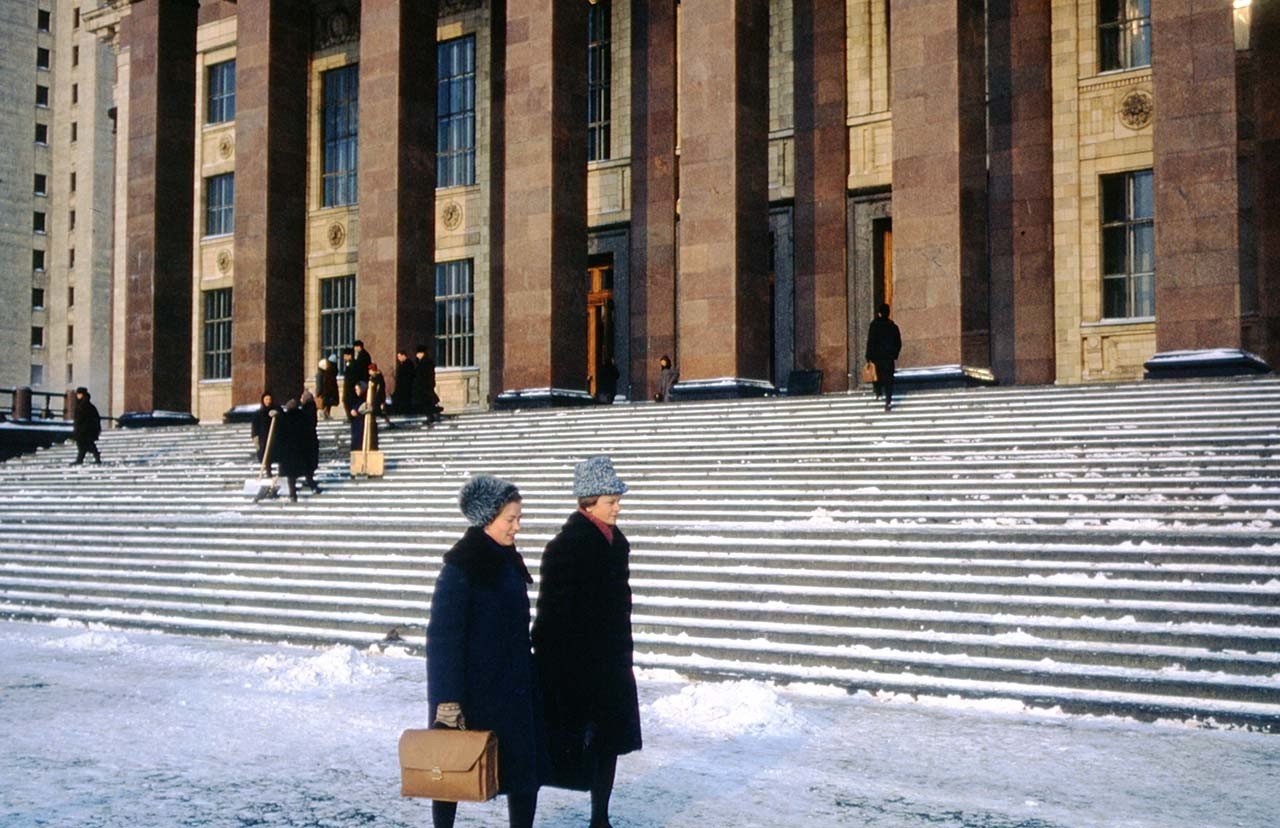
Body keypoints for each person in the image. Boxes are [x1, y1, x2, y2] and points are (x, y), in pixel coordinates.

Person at [426, 475, 545, 828]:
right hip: (474, 693)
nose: (517, 526)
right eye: (510, 519)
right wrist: (447, 702)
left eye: (519, 518)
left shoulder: (508, 560)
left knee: (524, 774)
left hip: (514, 689)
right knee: (451, 768)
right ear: (487, 518)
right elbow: (443, 639)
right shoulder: (462, 566)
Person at [532, 456, 642, 828]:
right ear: (588, 503)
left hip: (610, 663)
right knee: (565, 745)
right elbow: (552, 616)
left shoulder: (615, 544)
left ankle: (600, 818)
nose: (618, 507)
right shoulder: (565, 548)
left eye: (618, 500)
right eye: (612, 501)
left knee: (608, 744)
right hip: (577, 667)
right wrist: (560, 669)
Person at [865, 303, 903, 411]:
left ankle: (878, 393)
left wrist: (868, 356)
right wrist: (894, 354)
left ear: (879, 313)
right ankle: (888, 400)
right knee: (888, 379)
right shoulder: (893, 326)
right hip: (888, 358)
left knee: (877, 375)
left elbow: (871, 341)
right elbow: (898, 343)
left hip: (877, 357)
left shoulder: (874, 326)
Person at [70, 387, 102, 465]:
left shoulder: (87, 406)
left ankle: (94, 457)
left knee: (86, 444)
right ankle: (83, 459)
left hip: (86, 430)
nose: (78, 396)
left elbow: (93, 419)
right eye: (77, 394)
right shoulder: (79, 405)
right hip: (81, 429)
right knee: (83, 445)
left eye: (80, 394)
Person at [250, 391, 280, 474]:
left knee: (278, 456)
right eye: (266, 399)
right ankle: (268, 472)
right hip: (263, 439)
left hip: (275, 437)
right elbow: (255, 427)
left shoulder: (276, 410)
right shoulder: (258, 414)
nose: (268, 401)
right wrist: (255, 438)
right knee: (266, 456)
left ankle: (281, 473)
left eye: (269, 399)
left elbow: (283, 420)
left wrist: (278, 414)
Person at [412, 344, 442, 423]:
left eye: (418, 353)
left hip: (425, 385)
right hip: (424, 385)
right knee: (428, 401)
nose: (417, 355)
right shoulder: (421, 362)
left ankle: (431, 416)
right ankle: (432, 415)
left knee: (427, 401)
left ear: (422, 353)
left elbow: (426, 375)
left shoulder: (426, 362)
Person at [349, 382, 379, 452]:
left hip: (362, 425)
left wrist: (357, 411)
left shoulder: (367, 399)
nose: (356, 391)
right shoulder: (357, 399)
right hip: (357, 425)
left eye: (357, 389)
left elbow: (368, 408)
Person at [367, 363, 393, 427]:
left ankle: (387, 421)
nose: (369, 372)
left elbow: (379, 388)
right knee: (376, 411)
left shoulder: (378, 377)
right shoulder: (374, 377)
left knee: (377, 410)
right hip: (376, 396)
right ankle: (385, 421)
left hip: (378, 397)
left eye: (370, 370)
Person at [393, 350, 416, 415]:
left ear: (404, 356)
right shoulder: (402, 364)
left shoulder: (408, 364)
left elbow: (408, 376)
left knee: (404, 401)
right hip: (402, 387)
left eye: (399, 356)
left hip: (405, 388)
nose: (398, 358)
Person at [340, 347, 360, 421]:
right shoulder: (348, 364)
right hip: (348, 387)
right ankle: (350, 417)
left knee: (348, 402)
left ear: (350, 355)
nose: (344, 357)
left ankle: (351, 417)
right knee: (346, 401)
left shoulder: (353, 364)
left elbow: (352, 377)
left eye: (345, 355)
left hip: (351, 388)